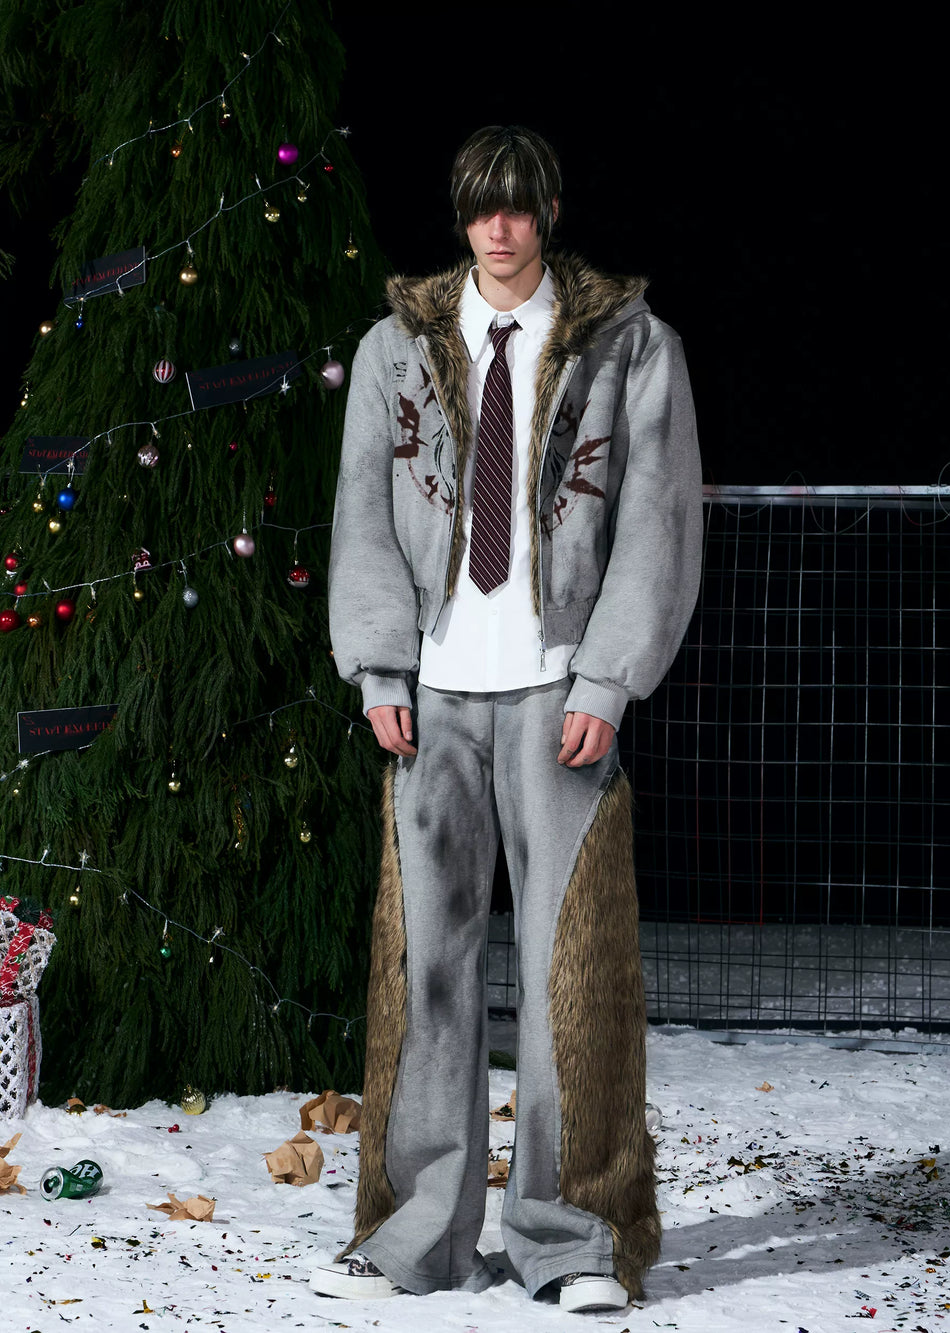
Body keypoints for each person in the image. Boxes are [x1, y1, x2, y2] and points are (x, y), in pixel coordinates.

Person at [315, 124, 703, 1313]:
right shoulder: (394, 348)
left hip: (556, 694)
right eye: (482, 205)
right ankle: (417, 1235)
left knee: (567, 974)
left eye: (519, 205)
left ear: (548, 213)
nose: (499, 226)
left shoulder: (629, 345)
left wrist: (607, 679)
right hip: (431, 699)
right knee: (423, 971)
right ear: (461, 213)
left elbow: (658, 517)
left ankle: (573, 1240)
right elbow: (363, 512)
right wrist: (380, 668)